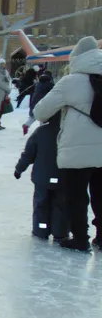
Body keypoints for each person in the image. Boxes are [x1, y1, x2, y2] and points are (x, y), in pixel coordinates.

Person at [33, 36, 102, 253]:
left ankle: (80, 238)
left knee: (76, 196)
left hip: (76, 150)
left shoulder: (70, 82)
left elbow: (40, 112)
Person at [15, 112, 68, 242]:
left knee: (41, 204)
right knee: (60, 205)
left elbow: (28, 154)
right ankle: (59, 232)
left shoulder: (41, 132)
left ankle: (41, 229)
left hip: (43, 178)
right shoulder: (70, 132)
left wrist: (19, 169)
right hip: (63, 177)